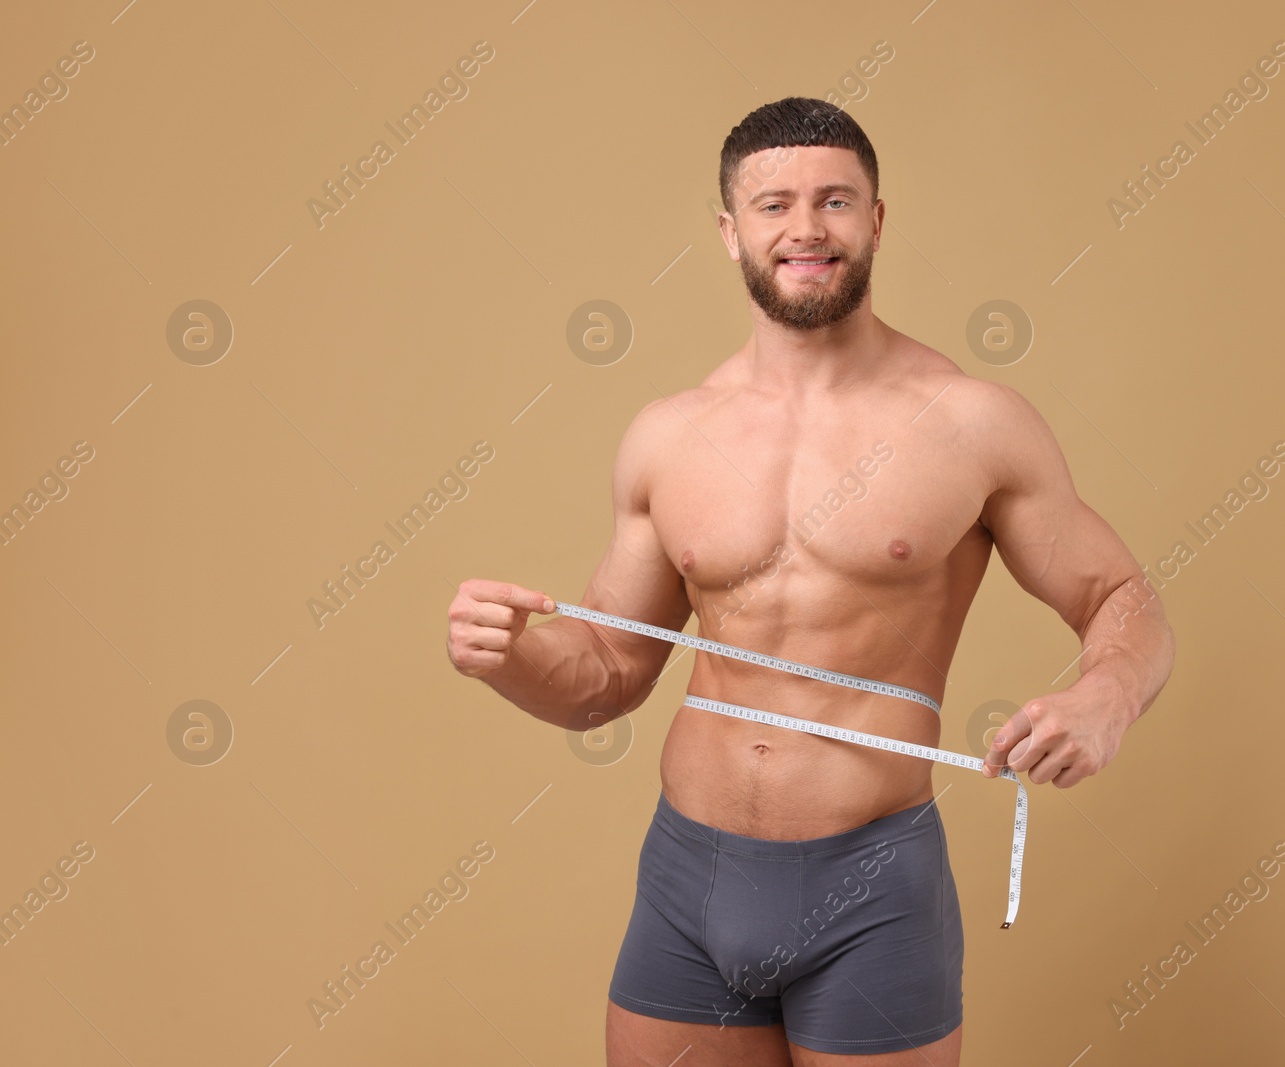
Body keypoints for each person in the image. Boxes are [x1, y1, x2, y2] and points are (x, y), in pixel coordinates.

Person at [445, 97, 1176, 1066]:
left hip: (868, 886)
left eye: (835, 201)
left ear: (876, 220)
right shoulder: (669, 436)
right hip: (686, 880)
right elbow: (608, 679)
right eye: (773, 203)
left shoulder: (972, 422)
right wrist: (508, 659)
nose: (805, 228)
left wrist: (1104, 694)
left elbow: (1124, 597)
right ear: (728, 230)